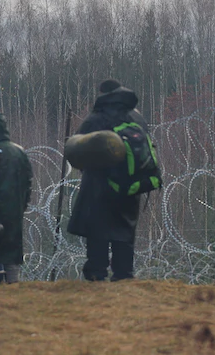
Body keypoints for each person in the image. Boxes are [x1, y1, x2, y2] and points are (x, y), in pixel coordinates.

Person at [67, 79, 154, 282]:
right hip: (130, 185)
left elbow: (77, 150)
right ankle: (124, 275)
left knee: (98, 230)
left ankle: (97, 273)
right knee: (124, 230)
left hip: (99, 185)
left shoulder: (96, 118)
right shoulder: (137, 118)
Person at [0, 112, 33, 284]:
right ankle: (13, 285)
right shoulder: (18, 152)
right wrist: (22, 205)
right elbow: (27, 182)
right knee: (11, 251)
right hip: (13, 210)